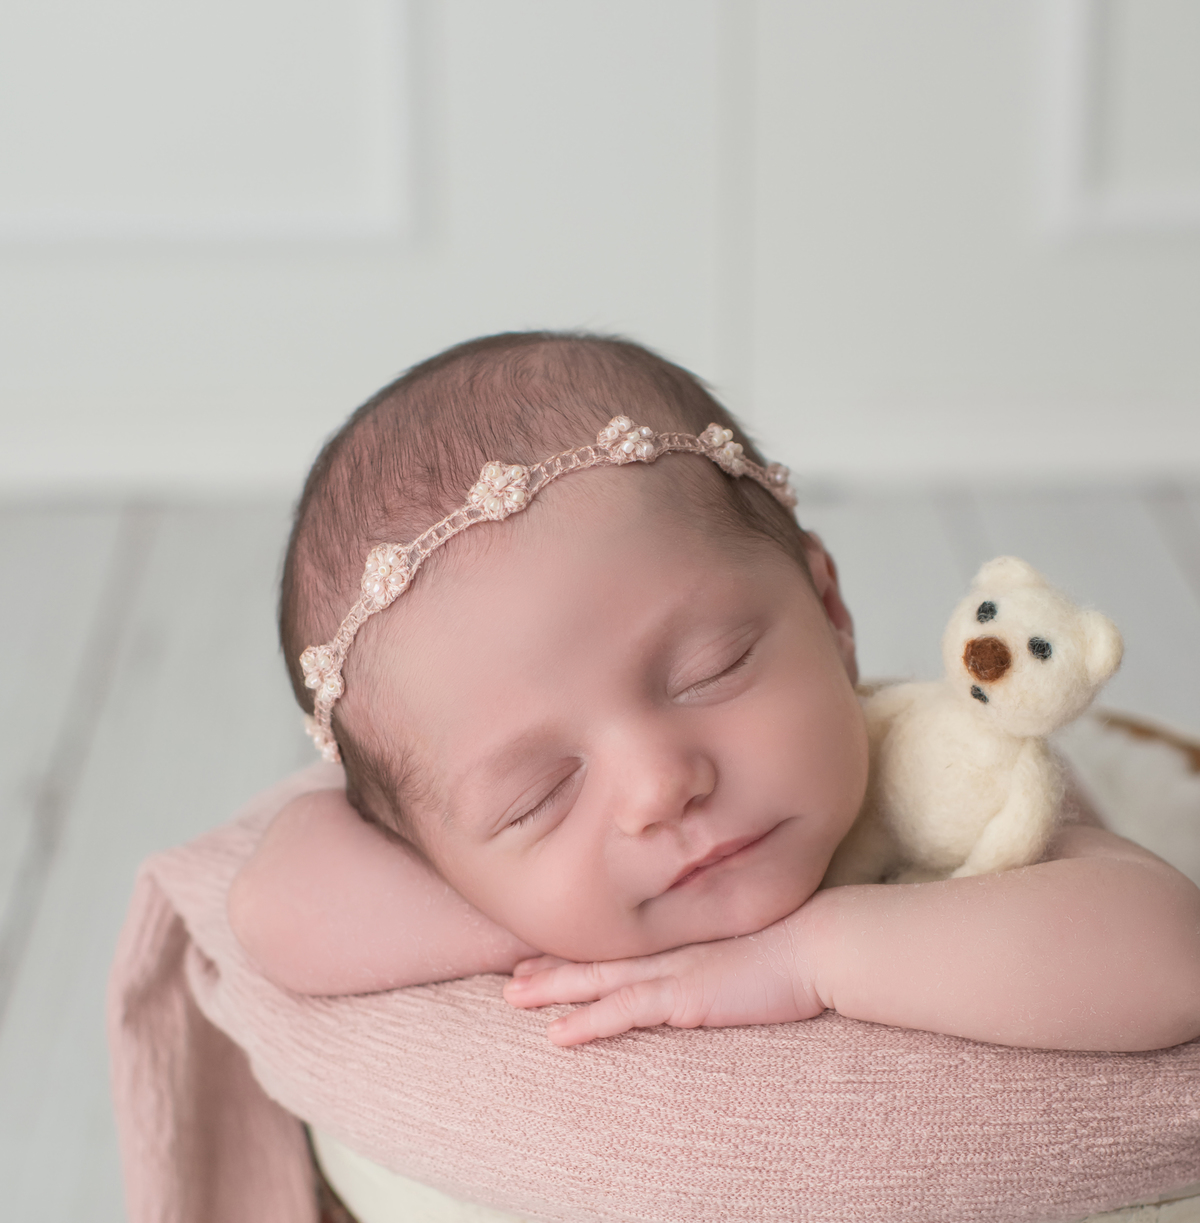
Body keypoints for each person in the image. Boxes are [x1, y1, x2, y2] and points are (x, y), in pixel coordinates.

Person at [229, 331, 1200, 1053]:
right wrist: (545, 916)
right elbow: (273, 904)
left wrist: (812, 957)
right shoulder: (524, 888)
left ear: (829, 609)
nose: (660, 787)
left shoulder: (945, 784)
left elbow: (1167, 954)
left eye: (712, 670)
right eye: (537, 796)